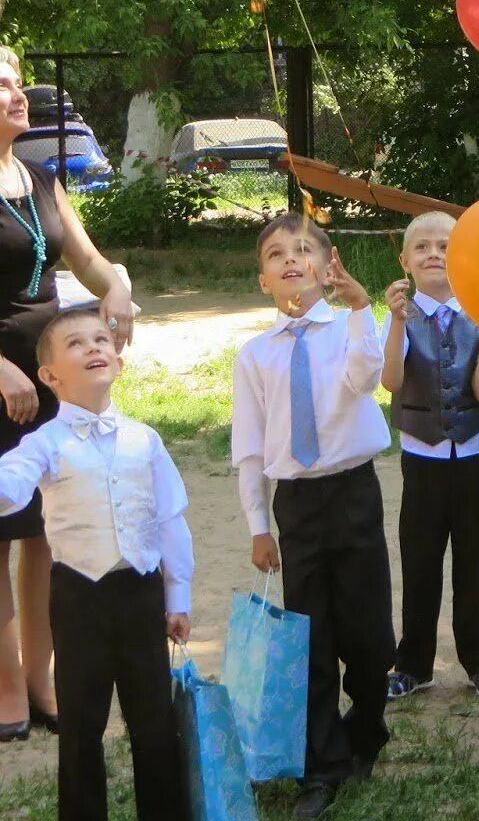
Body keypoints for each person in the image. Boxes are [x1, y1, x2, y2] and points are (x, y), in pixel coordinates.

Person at [232, 216, 394, 819]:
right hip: (296, 506)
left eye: (304, 250)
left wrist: (361, 311)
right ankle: (322, 765)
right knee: (311, 639)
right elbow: (249, 449)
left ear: (329, 266)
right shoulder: (254, 356)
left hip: (353, 494)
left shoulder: (347, 330)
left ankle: (368, 728)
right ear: (263, 280)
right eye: (277, 255)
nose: (290, 260)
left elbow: (365, 377)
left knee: (371, 636)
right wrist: (257, 525)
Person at [0, 307, 190, 820]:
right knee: (82, 725)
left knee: (154, 720)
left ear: (119, 361)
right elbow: (11, 485)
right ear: (49, 375)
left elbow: (170, 518)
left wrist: (179, 598)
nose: (94, 349)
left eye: (102, 340)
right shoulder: (43, 443)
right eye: (77, 344)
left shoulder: (144, 439)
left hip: (142, 593)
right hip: (78, 597)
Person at [0, 47, 137, 740]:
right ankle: (3, 689)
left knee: (43, 530)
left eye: (17, 80)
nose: (18, 93)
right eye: (1, 83)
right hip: (0, 377)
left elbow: (86, 259)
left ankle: (38, 675)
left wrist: (117, 287)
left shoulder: (41, 174)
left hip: (47, 372)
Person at [381, 211, 479, 701]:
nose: (435, 255)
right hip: (422, 458)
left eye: (446, 247)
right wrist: (395, 324)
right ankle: (413, 662)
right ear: (406, 261)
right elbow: (391, 380)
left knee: (477, 562)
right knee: (420, 562)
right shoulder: (400, 316)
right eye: (423, 248)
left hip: (475, 455)